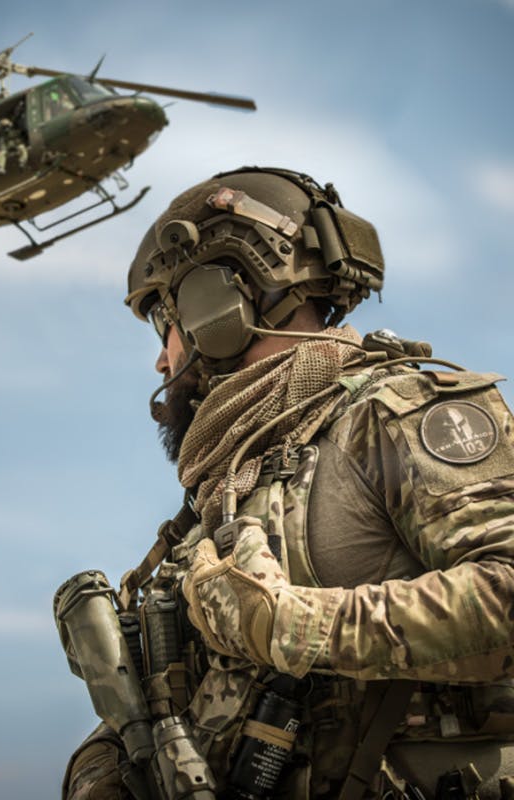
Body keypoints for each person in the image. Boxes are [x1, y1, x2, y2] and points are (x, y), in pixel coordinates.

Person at [60, 167, 514, 799]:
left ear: (217, 304)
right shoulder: (234, 481)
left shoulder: (396, 412)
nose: (161, 360)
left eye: (163, 319)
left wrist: (293, 628)